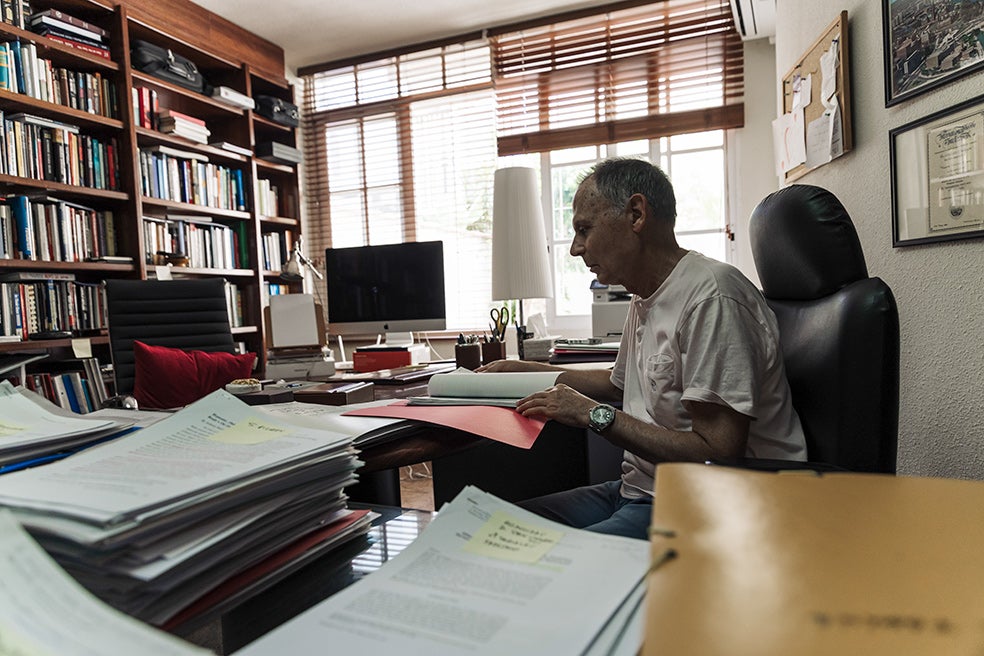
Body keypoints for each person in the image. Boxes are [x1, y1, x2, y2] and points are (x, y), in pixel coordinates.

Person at [479, 158, 806, 540]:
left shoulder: (712, 299)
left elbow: (715, 451)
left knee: (552, 564)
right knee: (492, 531)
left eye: (584, 229)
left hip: (715, 504)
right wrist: (521, 371)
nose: (574, 248)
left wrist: (593, 415)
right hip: (637, 493)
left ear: (636, 214)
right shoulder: (644, 294)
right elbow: (620, 386)